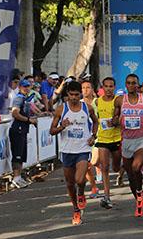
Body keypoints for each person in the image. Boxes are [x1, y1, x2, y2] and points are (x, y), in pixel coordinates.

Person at [50, 81, 98, 225]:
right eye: (71, 95)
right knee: (70, 183)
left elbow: (96, 122)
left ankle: (82, 193)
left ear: (80, 94)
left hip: (82, 149)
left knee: (79, 179)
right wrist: (61, 127)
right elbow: (52, 131)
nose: (74, 98)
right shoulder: (61, 109)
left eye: (77, 95)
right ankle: (76, 209)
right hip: (66, 151)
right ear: (67, 94)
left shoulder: (87, 108)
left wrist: (93, 136)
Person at [113, 74, 143, 217]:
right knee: (131, 176)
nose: (131, 85)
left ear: (137, 85)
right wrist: (114, 120)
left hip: (140, 140)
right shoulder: (120, 100)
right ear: (125, 85)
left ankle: (140, 191)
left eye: (134, 83)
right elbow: (115, 116)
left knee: (136, 167)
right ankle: (138, 196)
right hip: (126, 141)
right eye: (129, 83)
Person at [93, 77, 122, 208]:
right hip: (103, 138)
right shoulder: (97, 102)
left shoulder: (118, 100)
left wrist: (117, 121)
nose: (109, 89)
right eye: (106, 86)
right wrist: (93, 135)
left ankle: (120, 171)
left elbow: (122, 117)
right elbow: (94, 119)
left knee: (116, 167)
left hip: (116, 138)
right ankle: (107, 196)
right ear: (102, 88)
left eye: (111, 86)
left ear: (114, 87)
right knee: (104, 167)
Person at [9, 79, 37, 189]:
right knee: (17, 155)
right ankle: (15, 177)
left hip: (23, 130)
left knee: (22, 155)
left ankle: (19, 177)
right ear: (20, 87)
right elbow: (15, 113)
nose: (27, 88)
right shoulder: (19, 98)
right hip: (17, 129)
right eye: (24, 87)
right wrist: (29, 120)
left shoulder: (25, 99)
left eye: (28, 86)